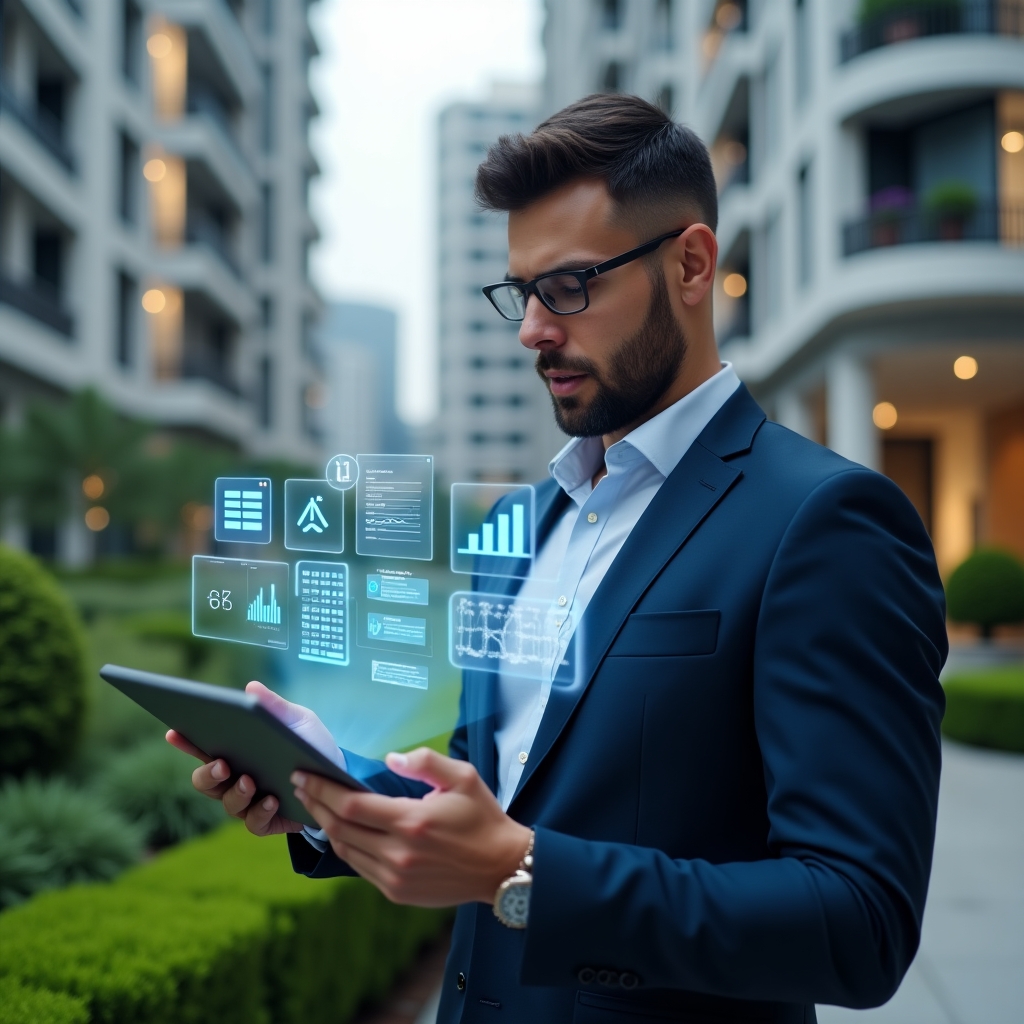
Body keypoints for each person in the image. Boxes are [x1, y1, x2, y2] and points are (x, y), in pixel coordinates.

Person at [172, 95, 947, 1024]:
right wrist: (330, 785)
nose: (532, 329)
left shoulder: (827, 521)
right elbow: (491, 791)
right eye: (520, 291)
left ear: (692, 264)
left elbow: (858, 925)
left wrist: (519, 871)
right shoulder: (520, 526)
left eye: (569, 287)